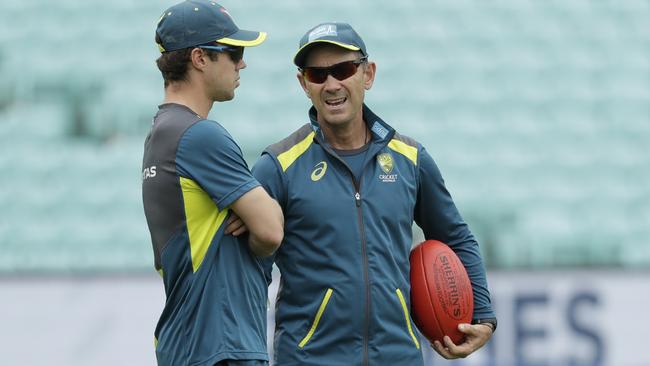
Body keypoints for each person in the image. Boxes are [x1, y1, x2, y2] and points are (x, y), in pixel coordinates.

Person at [251, 22, 497, 365]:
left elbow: (456, 236)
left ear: (368, 74)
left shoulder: (410, 158)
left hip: (398, 357)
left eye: (343, 69)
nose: (331, 84)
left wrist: (483, 315)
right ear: (303, 84)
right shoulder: (278, 166)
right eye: (317, 74)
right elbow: (248, 271)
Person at [141, 1, 283, 365]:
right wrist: (258, 215)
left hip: (190, 343)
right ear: (200, 58)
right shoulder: (199, 135)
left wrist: (247, 212)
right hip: (221, 343)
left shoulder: (162, 132)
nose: (242, 63)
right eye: (233, 52)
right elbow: (270, 232)